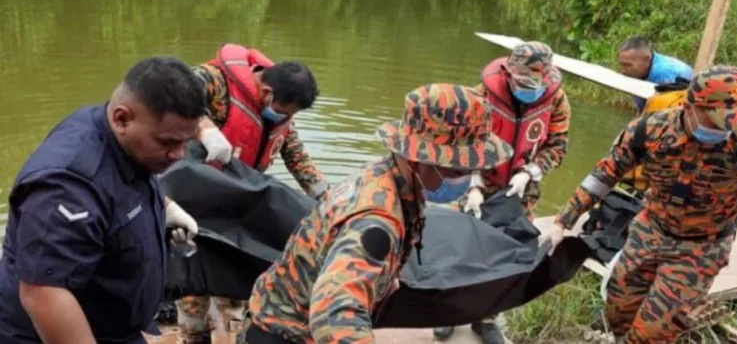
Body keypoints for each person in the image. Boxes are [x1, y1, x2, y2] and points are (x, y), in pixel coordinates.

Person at [237, 83, 514, 344]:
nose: (466, 179)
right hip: (286, 334)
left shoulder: (385, 174)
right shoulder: (377, 221)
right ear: (418, 160)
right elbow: (335, 314)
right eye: (458, 170)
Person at [542, 65, 737, 344]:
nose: (730, 126)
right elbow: (604, 175)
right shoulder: (649, 131)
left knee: (652, 334)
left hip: (702, 246)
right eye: (720, 119)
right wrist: (562, 223)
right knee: (618, 309)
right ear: (690, 107)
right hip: (650, 231)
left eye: (736, 117)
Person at [0, 56, 206, 344]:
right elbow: (43, 293)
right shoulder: (67, 186)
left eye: (187, 142)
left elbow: (123, 182)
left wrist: (165, 205)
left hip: (116, 328)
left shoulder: (124, 139)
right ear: (122, 118)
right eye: (168, 142)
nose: (179, 155)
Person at [177, 43, 329, 344]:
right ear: (268, 93)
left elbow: (296, 155)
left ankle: (234, 331)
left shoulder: (281, 116)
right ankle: (194, 337)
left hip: (238, 206)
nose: (282, 118)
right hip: (194, 203)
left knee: (237, 284)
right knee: (193, 289)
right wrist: (204, 127)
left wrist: (325, 196)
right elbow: (173, 95)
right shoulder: (214, 81)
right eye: (283, 111)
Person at [432, 42, 571, 344]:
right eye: (521, 80)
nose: (528, 87)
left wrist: (530, 172)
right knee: (463, 247)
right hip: (480, 180)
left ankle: (486, 318)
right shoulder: (482, 95)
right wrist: (473, 184)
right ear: (509, 72)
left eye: (534, 82)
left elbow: (558, 145)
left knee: (508, 252)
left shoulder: (556, 100)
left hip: (522, 188)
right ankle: (449, 313)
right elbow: (462, 143)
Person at [617, 36, 693, 112]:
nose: (623, 70)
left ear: (646, 59)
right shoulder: (646, 67)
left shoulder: (662, 73)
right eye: (622, 65)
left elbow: (668, 111)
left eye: (628, 65)